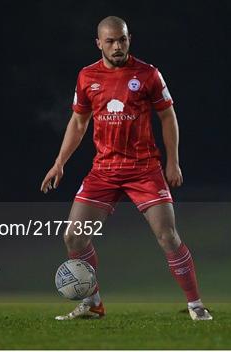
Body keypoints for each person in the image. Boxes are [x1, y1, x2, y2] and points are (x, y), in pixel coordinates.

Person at [41, 16, 212, 321]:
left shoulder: (148, 75)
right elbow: (79, 123)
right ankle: (93, 303)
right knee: (74, 237)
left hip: (144, 168)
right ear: (99, 44)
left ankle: (196, 305)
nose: (117, 46)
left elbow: (168, 117)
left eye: (122, 40)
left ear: (129, 38)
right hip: (104, 169)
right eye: (110, 41)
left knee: (167, 236)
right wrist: (59, 163)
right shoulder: (86, 77)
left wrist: (173, 161)